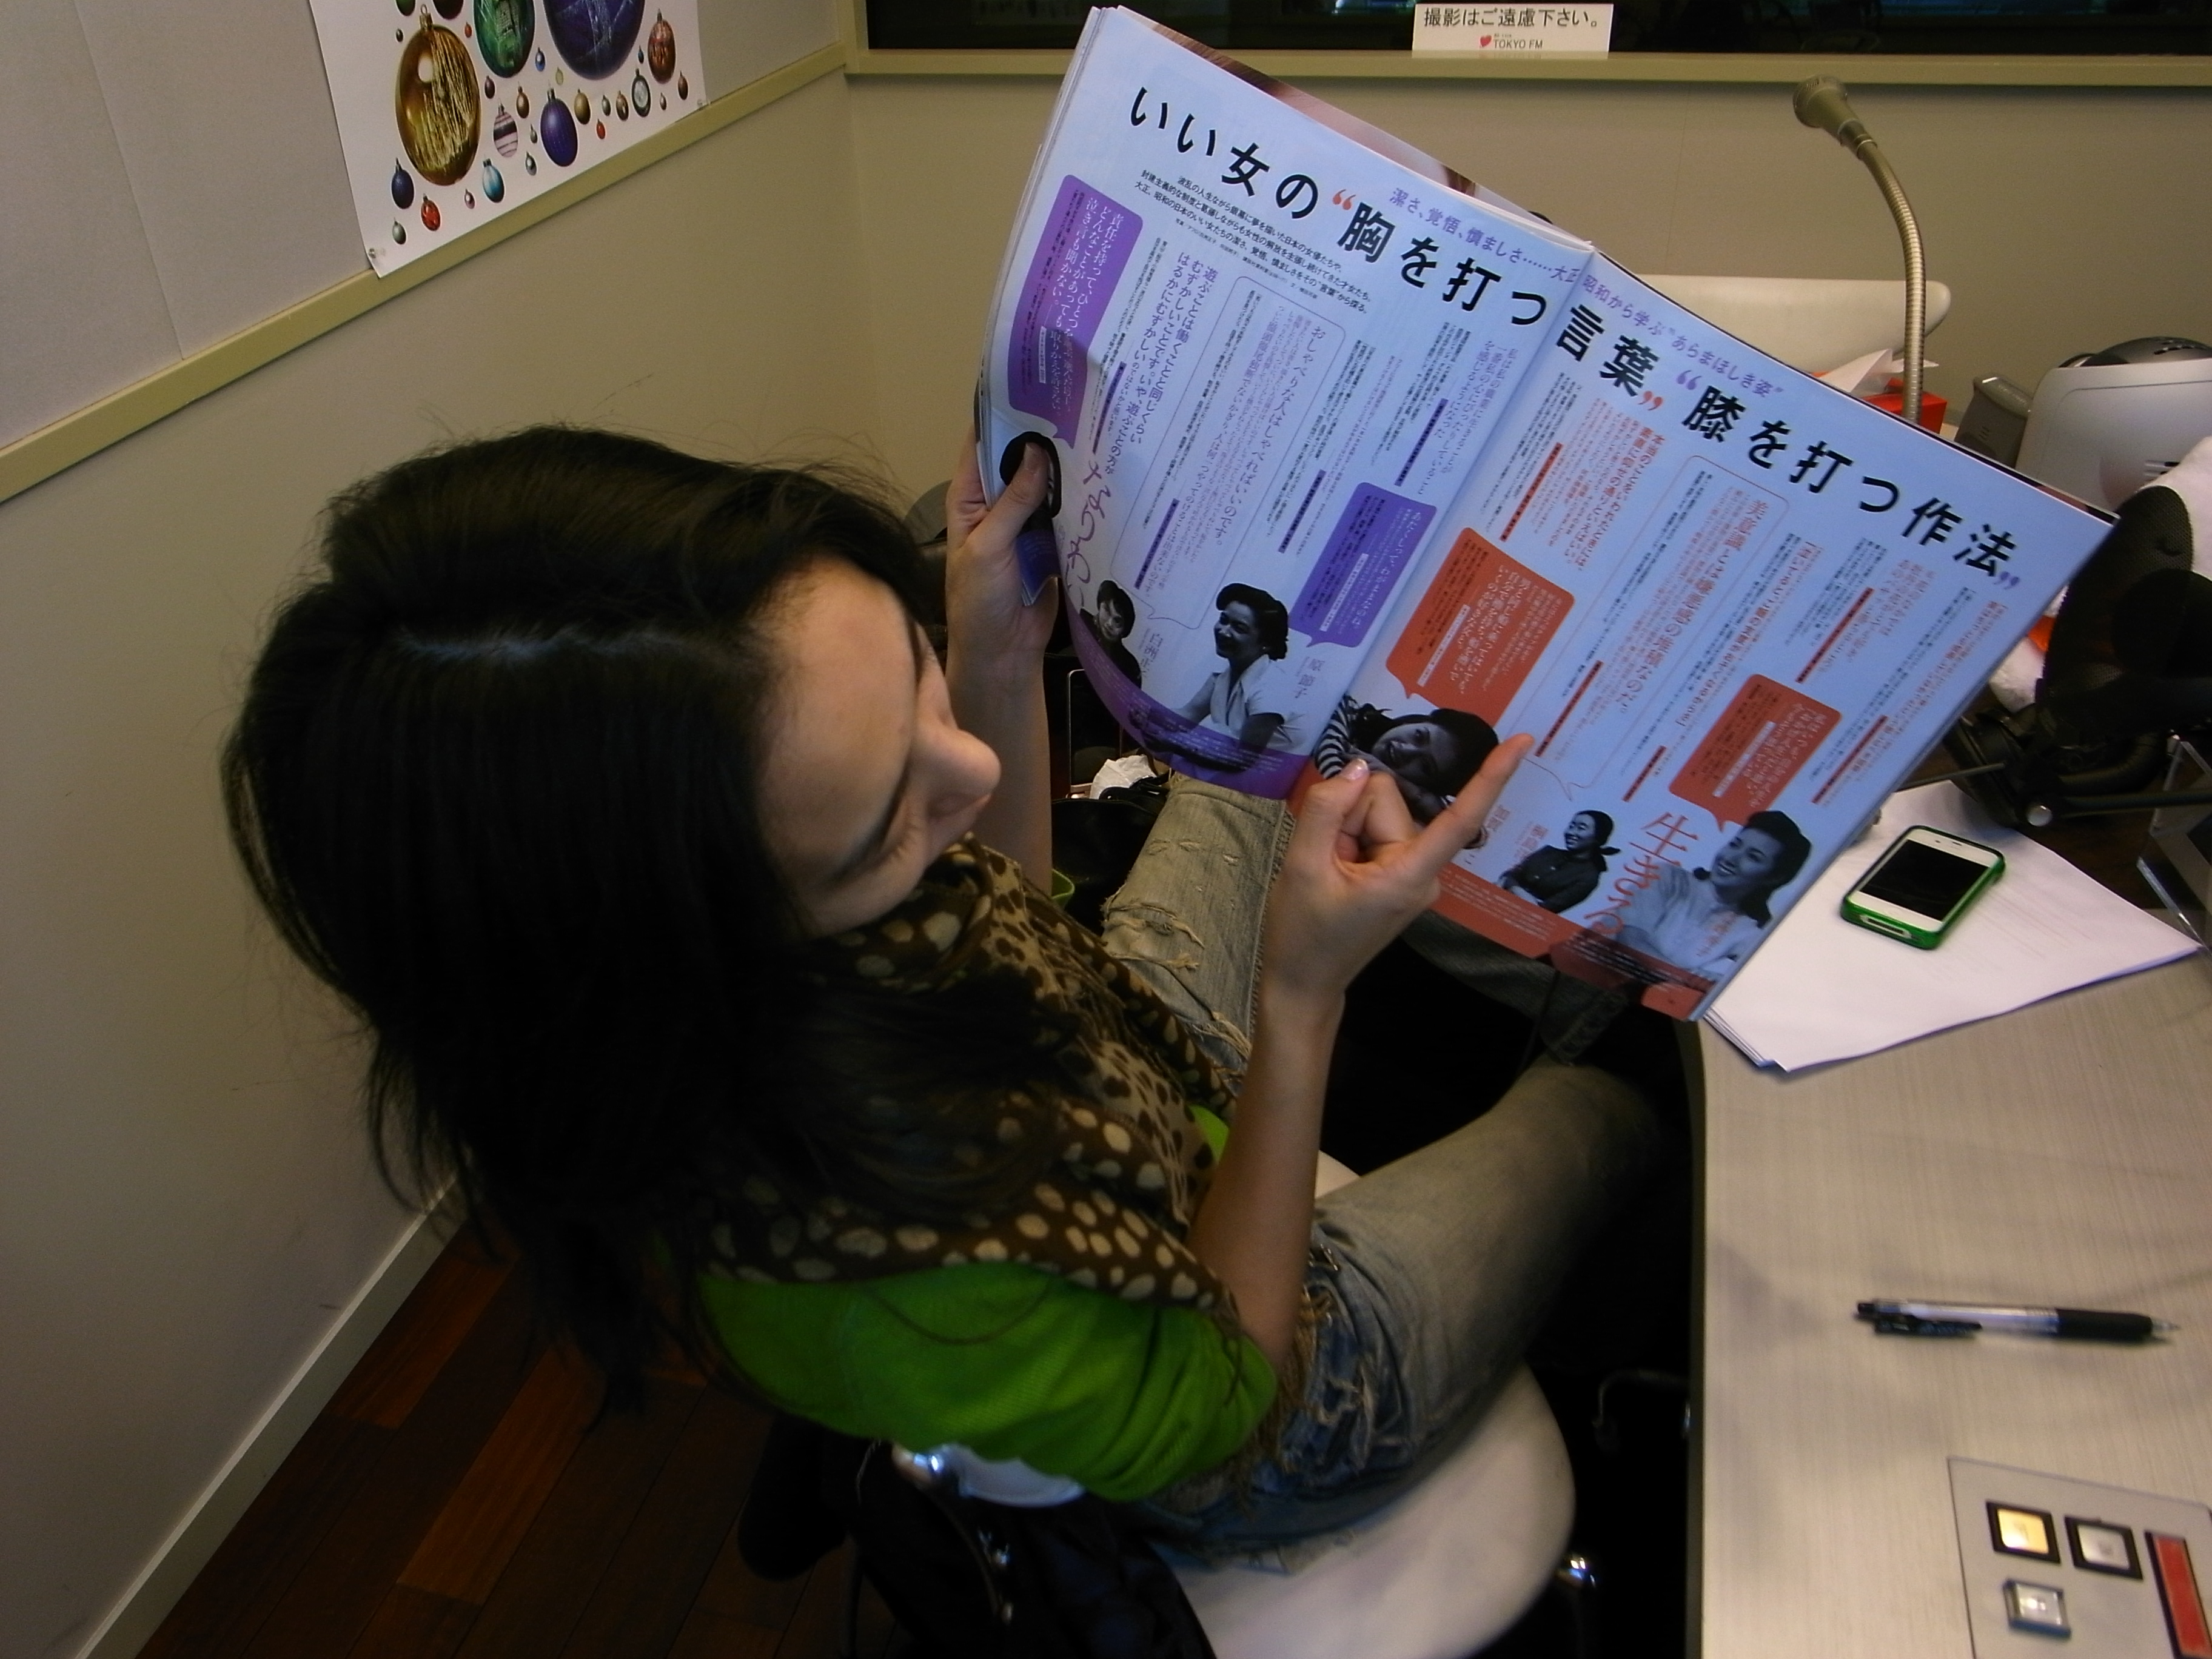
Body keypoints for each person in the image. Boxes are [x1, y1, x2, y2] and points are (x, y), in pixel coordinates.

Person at [222, 425, 1654, 1553]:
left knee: (1249, 770)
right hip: (1267, 1384)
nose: (970, 770)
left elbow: (1003, 918)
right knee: (1609, 1108)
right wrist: (1302, 1001)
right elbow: (1231, 1391)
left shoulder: (801, 949)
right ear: (679, 952)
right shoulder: (907, 1286)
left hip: (1143, 1095)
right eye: (880, 824)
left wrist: (993, 655)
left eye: (911, 676)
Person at [1612, 811, 1813, 979]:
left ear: (1775, 877)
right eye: (1735, 845)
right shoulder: (1668, 877)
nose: (1731, 859)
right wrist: (1691, 981)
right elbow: (1631, 939)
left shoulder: (1752, 931)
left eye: (1753, 857)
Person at [1318, 700, 1499, 829]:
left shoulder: (1389, 809)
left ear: (1428, 786)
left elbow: (1474, 837)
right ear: (1416, 721)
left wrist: (1411, 791)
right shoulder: (1347, 712)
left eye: (1425, 766)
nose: (1407, 750)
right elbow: (1328, 758)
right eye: (1419, 736)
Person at [1175, 583, 1310, 755]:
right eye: (1224, 620)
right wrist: (1148, 715)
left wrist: (1176, 742)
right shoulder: (1222, 678)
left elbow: (1244, 757)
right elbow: (1187, 715)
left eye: (1239, 628)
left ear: (1266, 643)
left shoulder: (1271, 687)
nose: (1224, 632)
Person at [1501, 811, 1620, 914]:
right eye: (1571, 826)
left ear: (1598, 837)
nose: (1571, 832)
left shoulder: (1588, 877)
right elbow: (1510, 875)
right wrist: (1517, 889)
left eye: (1581, 828)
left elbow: (1544, 911)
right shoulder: (1547, 852)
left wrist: (1513, 887)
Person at [1080, 578, 1143, 688]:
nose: (1109, 624)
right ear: (1100, 606)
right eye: (1107, 610)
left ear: (1124, 630)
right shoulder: (1082, 620)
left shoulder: (1130, 666)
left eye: (1117, 621)